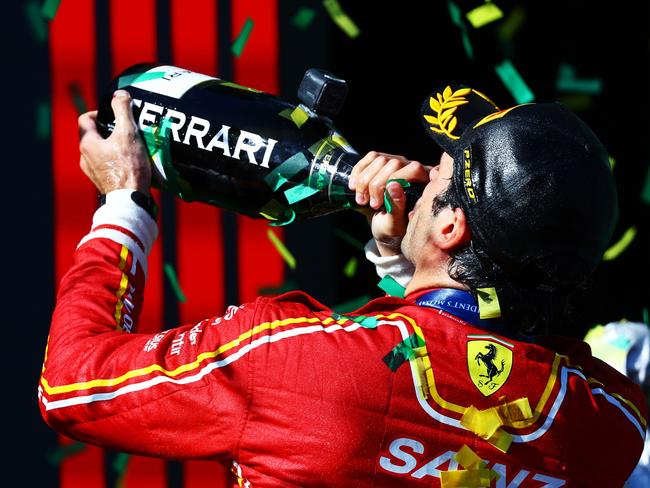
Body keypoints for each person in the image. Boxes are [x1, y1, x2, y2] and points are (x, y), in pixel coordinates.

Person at [39, 85, 646, 487]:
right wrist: (403, 262)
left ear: (452, 225)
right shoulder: (608, 426)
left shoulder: (286, 357)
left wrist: (124, 201)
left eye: (441, 167)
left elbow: (70, 384)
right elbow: (468, 379)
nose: (423, 169)